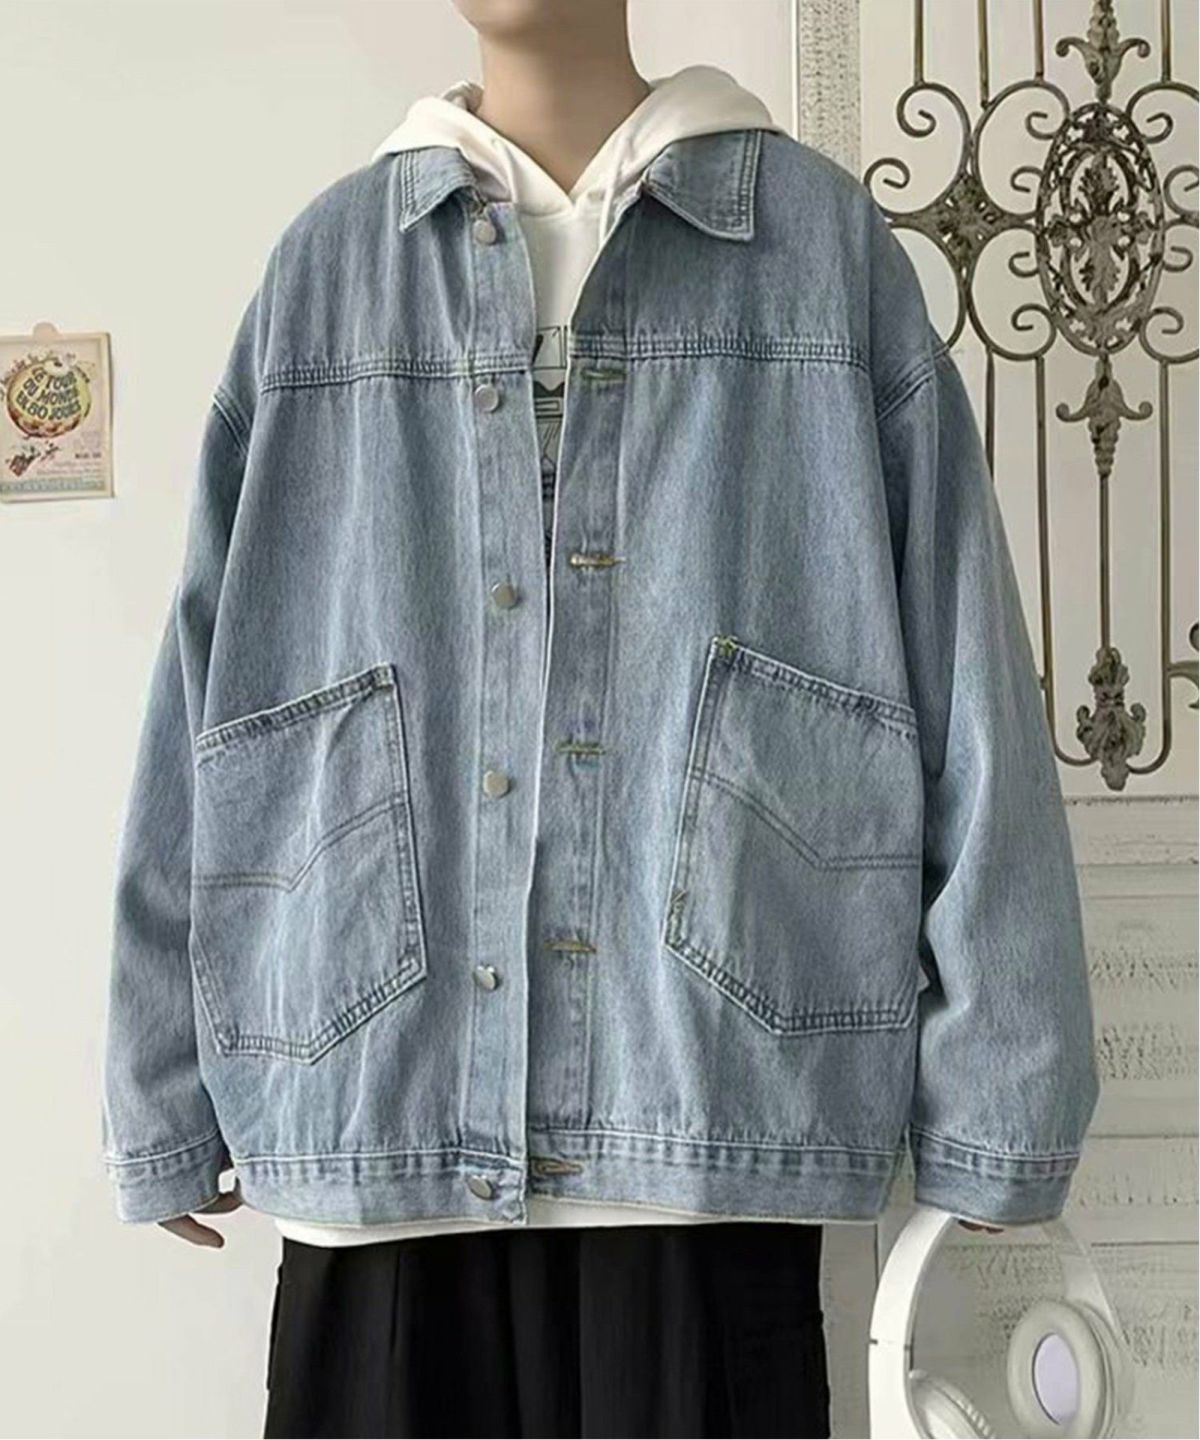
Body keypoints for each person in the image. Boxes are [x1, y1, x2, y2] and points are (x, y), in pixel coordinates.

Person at [100, 1, 1100, 1436]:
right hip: (381, 1126)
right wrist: (160, 1083)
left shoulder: (819, 256)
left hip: (712, 1131)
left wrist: (1003, 1087)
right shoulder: (327, 275)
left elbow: (968, 673)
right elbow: (210, 693)